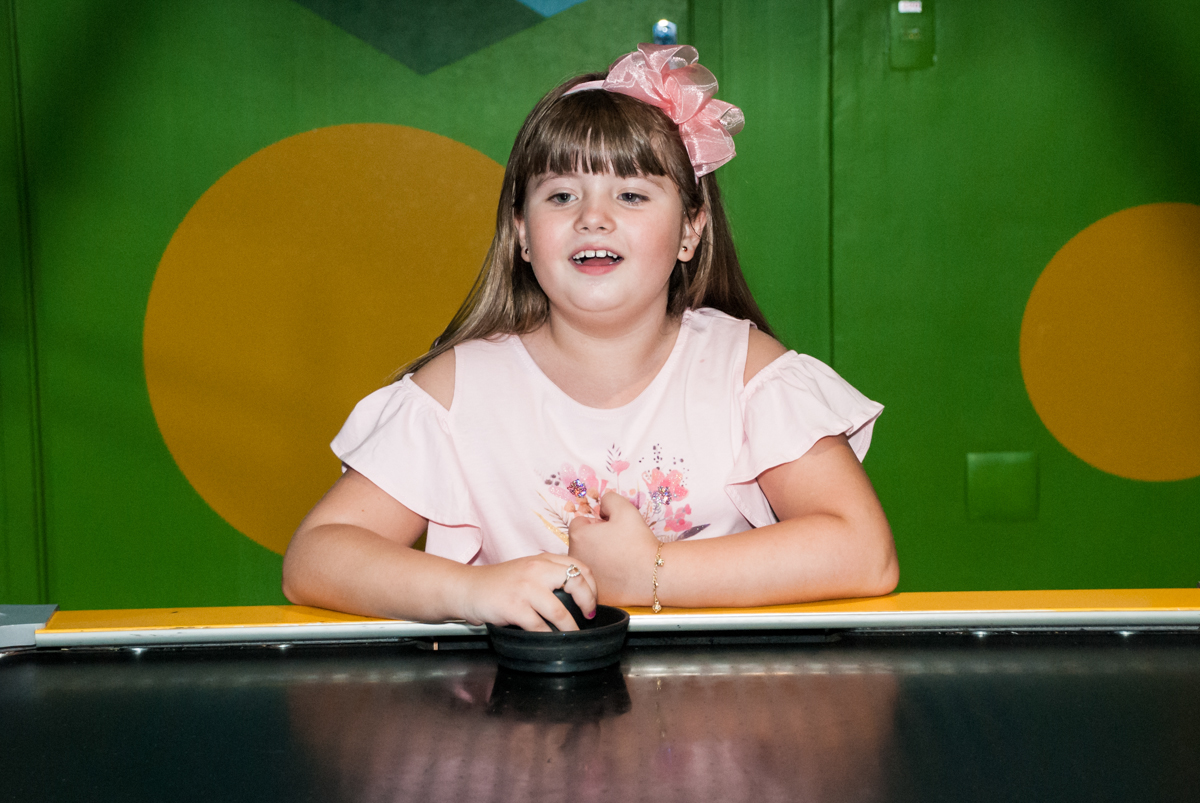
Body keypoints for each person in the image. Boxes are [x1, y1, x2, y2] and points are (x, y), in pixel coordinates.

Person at [282, 44, 898, 632]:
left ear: (691, 230)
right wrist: (473, 592)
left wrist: (650, 573)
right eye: (561, 195)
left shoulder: (743, 371)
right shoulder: (458, 389)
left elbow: (864, 552)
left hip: (717, 712)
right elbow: (317, 557)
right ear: (522, 234)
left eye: (630, 194)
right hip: (523, 721)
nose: (592, 217)